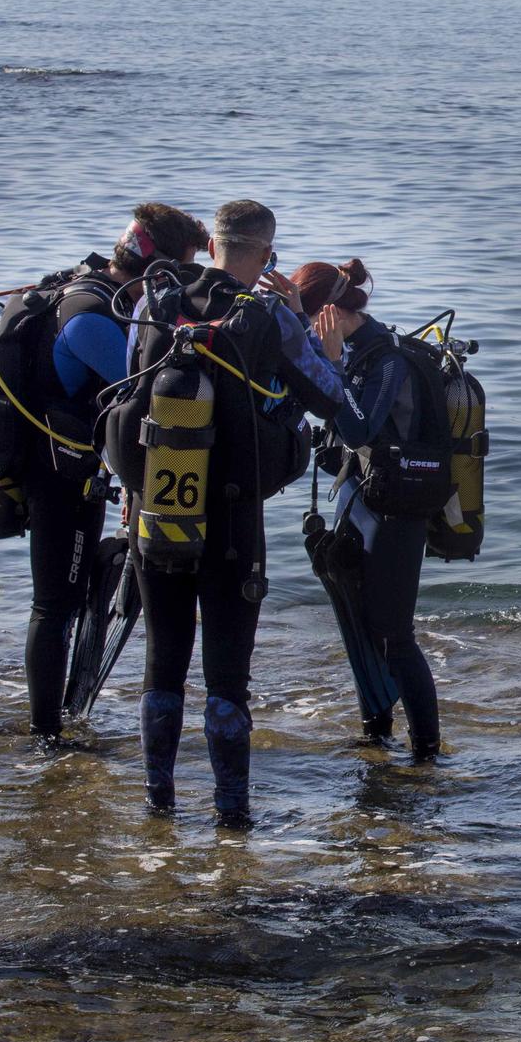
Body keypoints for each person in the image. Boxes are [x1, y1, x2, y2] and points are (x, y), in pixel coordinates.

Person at [117, 201, 372, 827]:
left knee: (162, 663)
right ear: (265, 256)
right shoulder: (266, 319)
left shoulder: (153, 304)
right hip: (232, 517)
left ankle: (159, 806)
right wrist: (313, 337)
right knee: (227, 678)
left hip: (158, 512)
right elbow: (330, 398)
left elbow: (129, 389)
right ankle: (232, 819)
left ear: (210, 248)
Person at [14, 204, 208, 744]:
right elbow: (142, 383)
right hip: (54, 476)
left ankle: (58, 720)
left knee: (68, 596)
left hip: (74, 469)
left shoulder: (101, 294)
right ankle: (46, 736)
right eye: (182, 268)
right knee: (53, 603)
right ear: (157, 265)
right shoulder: (90, 316)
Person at [293, 259, 443, 762]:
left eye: (310, 317)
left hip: (398, 511)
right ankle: (375, 735)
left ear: (330, 313)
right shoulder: (355, 352)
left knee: (393, 634)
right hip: (362, 500)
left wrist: (331, 362)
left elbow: (360, 429)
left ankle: (427, 752)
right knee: (359, 623)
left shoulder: (387, 361)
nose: (309, 328)